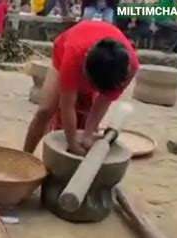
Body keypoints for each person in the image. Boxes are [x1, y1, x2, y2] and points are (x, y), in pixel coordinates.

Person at [23, 21, 139, 155]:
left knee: (85, 124)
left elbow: (102, 103)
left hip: (100, 65)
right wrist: (72, 143)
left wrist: (88, 135)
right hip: (66, 48)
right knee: (45, 110)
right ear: (84, 62)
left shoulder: (126, 70)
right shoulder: (73, 55)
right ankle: (26, 156)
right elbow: (67, 106)